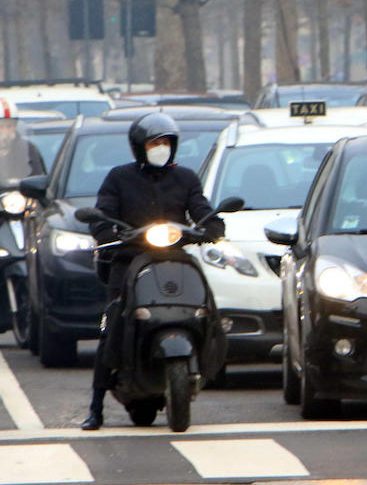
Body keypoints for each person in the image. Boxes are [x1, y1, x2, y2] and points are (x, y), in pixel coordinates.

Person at [81, 113, 225, 430]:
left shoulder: (186, 179)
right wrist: (107, 232)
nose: (160, 148)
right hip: (129, 260)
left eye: (166, 143)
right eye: (154, 143)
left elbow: (200, 209)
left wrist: (212, 225)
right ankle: (96, 408)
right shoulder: (119, 178)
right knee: (113, 323)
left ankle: (205, 360)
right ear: (139, 147)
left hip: (172, 260)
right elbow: (102, 216)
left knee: (204, 306)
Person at [0, 97, 46, 182]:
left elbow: (38, 179)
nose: (5, 131)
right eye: (1, 127)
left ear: (15, 126)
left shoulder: (28, 149)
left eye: (9, 126)